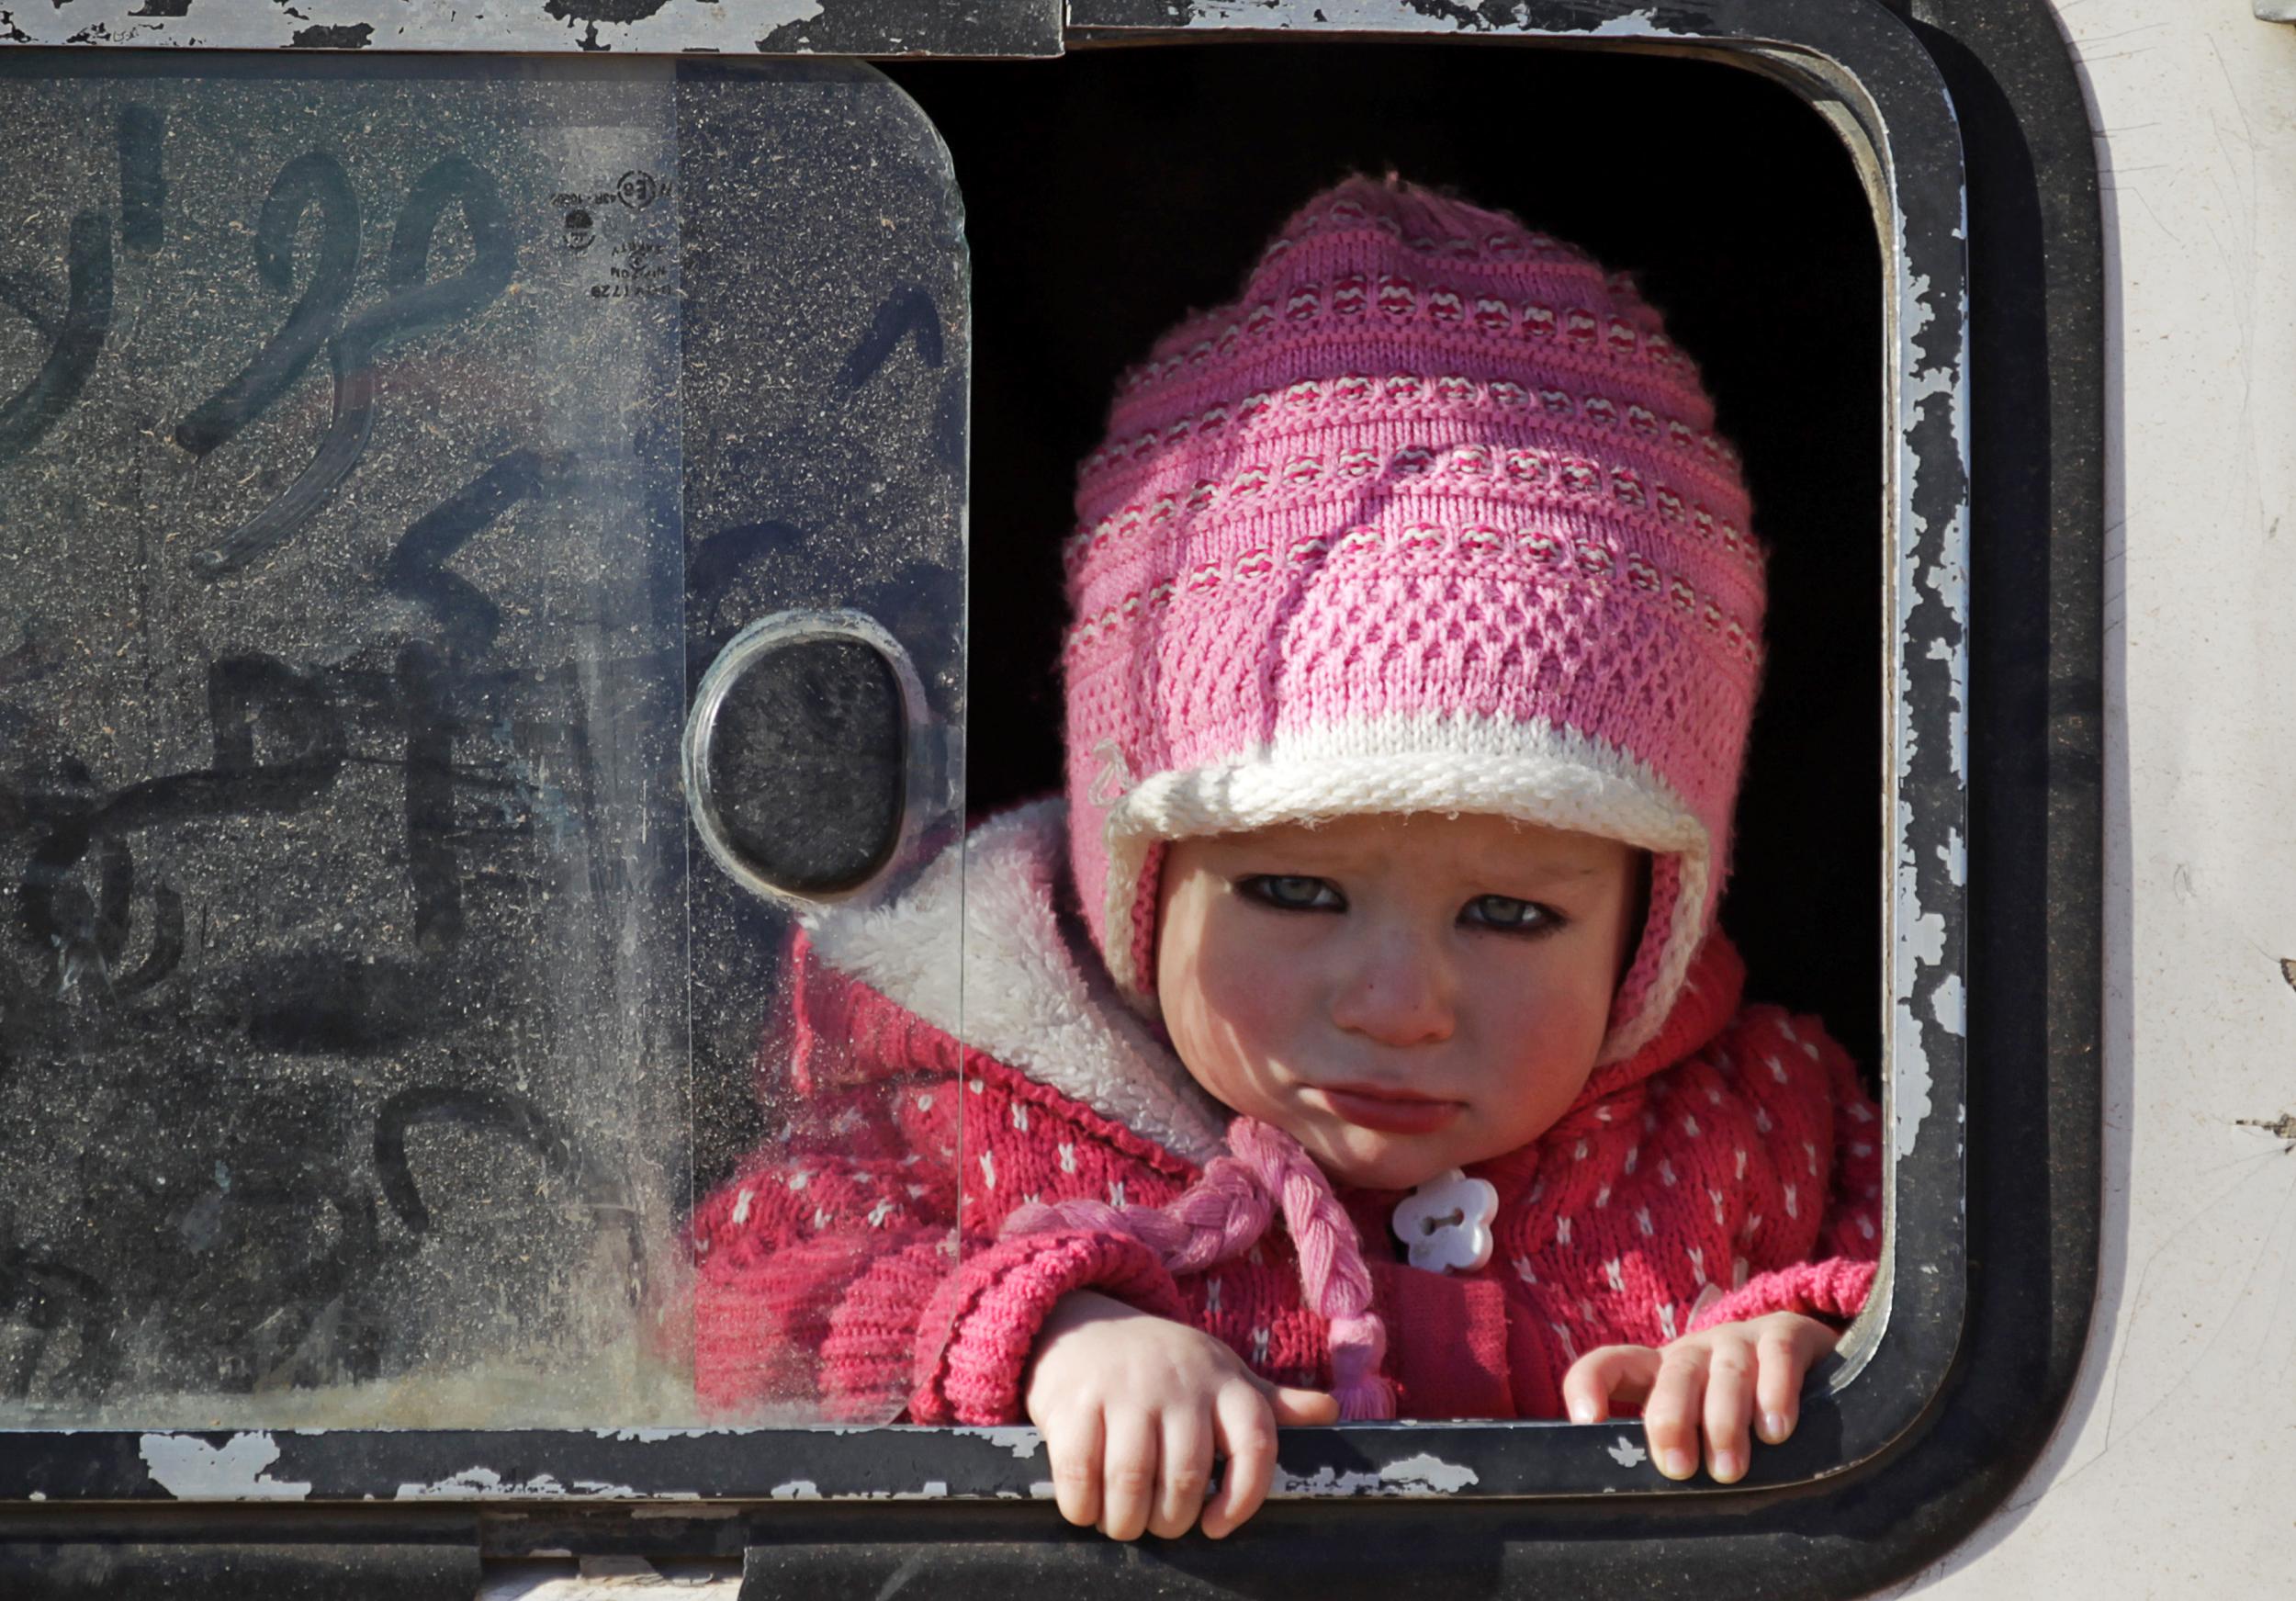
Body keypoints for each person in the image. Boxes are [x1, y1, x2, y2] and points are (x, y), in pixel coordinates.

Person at [685, 173, 1881, 1540]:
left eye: (1511, 914)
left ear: (1650, 920)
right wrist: (1045, 1336)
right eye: (1294, 891)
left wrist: (1807, 1352)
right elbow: (747, 1296)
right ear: (1136, 880)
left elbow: (1949, 1279)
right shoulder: (972, 1112)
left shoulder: (1760, 1123)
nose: (1396, 1002)